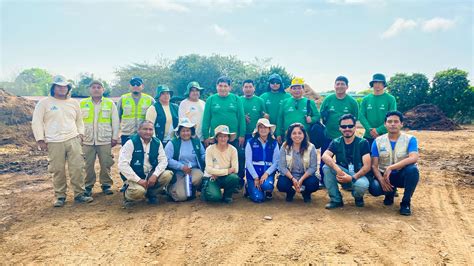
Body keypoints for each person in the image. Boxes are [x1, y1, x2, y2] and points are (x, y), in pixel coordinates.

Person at [32, 75, 93, 207]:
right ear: (53, 88)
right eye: (58, 86)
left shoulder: (73, 103)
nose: (61, 89)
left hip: (73, 139)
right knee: (57, 169)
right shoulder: (44, 103)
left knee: (77, 168)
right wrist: (40, 139)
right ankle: (60, 196)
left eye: (64, 86)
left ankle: (80, 194)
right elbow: (36, 122)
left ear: (68, 88)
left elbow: (79, 120)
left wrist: (80, 134)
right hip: (54, 141)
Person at [369, 111, 420, 216]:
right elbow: (374, 165)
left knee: (413, 170)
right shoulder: (378, 141)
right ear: (385, 124)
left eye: (396, 121)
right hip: (385, 176)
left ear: (401, 124)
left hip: (402, 175)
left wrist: (391, 167)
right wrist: (381, 180)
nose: (393, 124)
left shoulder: (410, 139)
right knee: (374, 188)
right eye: (389, 121)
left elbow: (414, 157)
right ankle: (389, 193)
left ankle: (406, 203)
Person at [118, 120, 173, 207]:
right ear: (139, 130)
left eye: (150, 129)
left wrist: (155, 175)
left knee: (168, 174)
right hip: (135, 176)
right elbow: (122, 165)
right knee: (139, 191)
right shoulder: (131, 143)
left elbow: (163, 161)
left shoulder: (157, 142)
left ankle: (151, 194)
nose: (148, 132)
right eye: (145, 129)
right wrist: (138, 180)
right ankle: (128, 197)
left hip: (150, 175)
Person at [201, 76, 246, 182]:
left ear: (230, 87)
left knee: (237, 157)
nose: (223, 88)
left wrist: (242, 135)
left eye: (225, 86)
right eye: (220, 86)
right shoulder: (211, 100)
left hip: (232, 137)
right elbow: (206, 119)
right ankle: (213, 181)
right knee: (215, 159)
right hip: (216, 136)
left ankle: (236, 181)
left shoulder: (236, 99)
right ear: (216, 87)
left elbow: (241, 118)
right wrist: (206, 136)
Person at [322, 114, 371, 209]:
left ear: (355, 127)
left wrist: (352, 178)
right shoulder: (336, 142)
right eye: (343, 126)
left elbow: (367, 166)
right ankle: (336, 200)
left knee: (362, 185)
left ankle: (358, 197)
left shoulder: (363, 142)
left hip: (358, 174)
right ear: (340, 128)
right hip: (343, 172)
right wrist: (338, 170)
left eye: (350, 126)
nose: (347, 129)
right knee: (326, 167)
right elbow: (325, 156)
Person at [80, 80, 119, 196]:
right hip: (87, 140)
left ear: (103, 90)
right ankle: (88, 186)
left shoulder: (110, 103)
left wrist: (114, 137)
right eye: (93, 87)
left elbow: (115, 122)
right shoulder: (82, 103)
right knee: (87, 165)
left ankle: (106, 185)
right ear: (89, 90)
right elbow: (77, 122)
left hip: (105, 139)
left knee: (106, 163)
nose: (96, 89)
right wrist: (79, 136)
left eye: (98, 87)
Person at [318, 76, 359, 185]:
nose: (340, 86)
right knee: (325, 159)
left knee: (346, 160)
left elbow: (355, 119)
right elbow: (322, 114)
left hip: (346, 138)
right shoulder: (328, 99)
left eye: (342, 84)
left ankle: (347, 181)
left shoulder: (352, 102)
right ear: (334, 86)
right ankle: (323, 181)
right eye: (338, 84)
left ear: (347, 87)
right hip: (328, 136)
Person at [164, 118, 205, 201]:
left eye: (188, 130)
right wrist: (182, 167)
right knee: (181, 197)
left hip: (192, 170)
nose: (185, 133)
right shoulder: (172, 143)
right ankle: (170, 189)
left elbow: (203, 154)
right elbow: (167, 159)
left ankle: (188, 189)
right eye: (183, 131)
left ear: (191, 131)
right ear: (178, 132)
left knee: (200, 175)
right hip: (178, 171)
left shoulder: (196, 141)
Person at [277, 123, 319, 203]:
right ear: (290, 135)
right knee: (281, 184)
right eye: (294, 133)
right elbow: (282, 167)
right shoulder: (285, 146)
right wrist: (293, 179)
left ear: (304, 134)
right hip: (290, 176)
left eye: (300, 133)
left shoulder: (311, 147)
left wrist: (301, 179)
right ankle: (290, 192)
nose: (297, 136)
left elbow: (313, 167)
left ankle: (306, 193)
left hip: (306, 176)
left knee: (313, 183)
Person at [201, 125, 240, 203]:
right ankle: (206, 190)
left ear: (228, 138)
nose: (223, 139)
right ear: (216, 138)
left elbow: (235, 169)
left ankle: (227, 196)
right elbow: (209, 169)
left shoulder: (233, 150)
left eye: (225, 136)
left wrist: (217, 173)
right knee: (215, 197)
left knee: (234, 178)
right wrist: (227, 171)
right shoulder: (210, 149)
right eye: (220, 136)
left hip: (222, 176)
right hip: (212, 177)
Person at [276, 77, 320, 145]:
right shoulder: (285, 102)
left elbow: (317, 116)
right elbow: (280, 118)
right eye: (294, 88)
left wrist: (311, 119)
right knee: (288, 155)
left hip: (304, 137)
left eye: (299, 88)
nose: (297, 90)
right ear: (290, 90)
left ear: (303, 89)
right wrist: (278, 133)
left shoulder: (309, 102)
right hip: (288, 136)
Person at [244, 118, 279, 203]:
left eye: (266, 127)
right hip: (254, 173)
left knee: (267, 186)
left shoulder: (274, 143)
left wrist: (267, 173)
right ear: (258, 129)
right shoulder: (250, 142)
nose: (263, 129)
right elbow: (248, 162)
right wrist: (255, 177)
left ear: (269, 129)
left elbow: (276, 162)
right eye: (261, 127)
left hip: (267, 172)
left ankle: (266, 189)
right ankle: (248, 186)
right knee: (258, 198)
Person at [359, 73, 397, 148]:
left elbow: (392, 117)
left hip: (385, 135)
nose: (377, 85)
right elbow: (361, 116)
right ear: (372, 84)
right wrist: (370, 130)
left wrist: (378, 130)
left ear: (384, 84)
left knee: (385, 158)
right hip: (369, 136)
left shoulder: (390, 99)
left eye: (380, 82)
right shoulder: (366, 99)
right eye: (375, 82)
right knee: (367, 158)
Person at [117, 77, 155, 145]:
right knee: (126, 155)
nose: (135, 86)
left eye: (138, 84)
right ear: (129, 86)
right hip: (127, 134)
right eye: (133, 84)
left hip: (144, 134)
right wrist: (116, 134)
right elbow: (117, 117)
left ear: (142, 86)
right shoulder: (123, 99)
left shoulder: (150, 99)